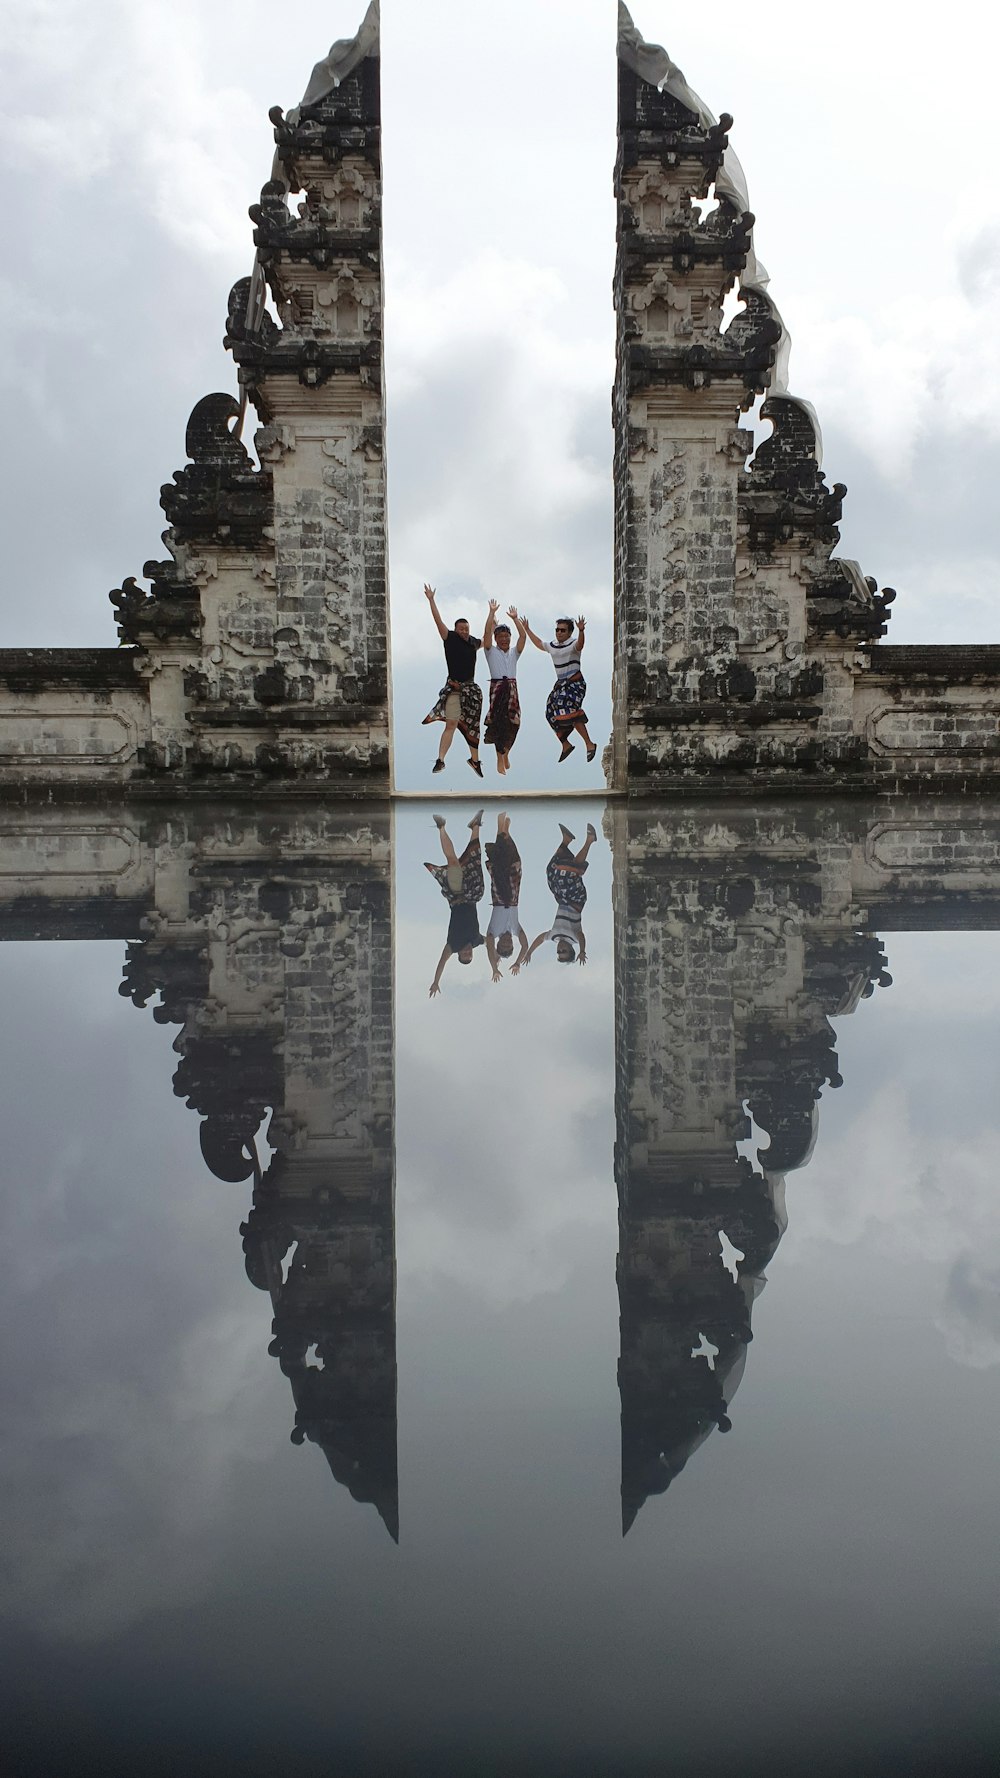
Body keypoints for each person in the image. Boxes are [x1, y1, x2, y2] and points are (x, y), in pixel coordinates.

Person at [421, 583, 484, 777]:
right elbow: (437, 621)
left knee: (473, 728)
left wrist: (491, 617)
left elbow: (488, 640)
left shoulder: (473, 642)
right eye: (461, 629)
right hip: (455, 690)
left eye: (467, 628)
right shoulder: (450, 639)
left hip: (471, 692)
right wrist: (431, 600)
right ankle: (440, 760)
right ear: (456, 630)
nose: (464, 631)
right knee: (451, 724)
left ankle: (474, 761)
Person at [519, 613, 597, 763]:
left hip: (575, 683)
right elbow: (539, 643)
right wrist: (527, 629)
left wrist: (581, 631)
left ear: (569, 632)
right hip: (561, 685)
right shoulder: (553, 646)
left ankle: (589, 743)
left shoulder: (573, 644)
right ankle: (565, 744)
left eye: (563, 630)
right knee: (550, 712)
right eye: (557, 630)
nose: (559, 633)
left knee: (567, 709)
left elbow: (580, 645)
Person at [520, 823, 598, 969]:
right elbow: (581, 936)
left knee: (551, 871)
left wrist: (529, 952)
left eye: (559, 952)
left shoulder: (554, 936)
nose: (560, 949)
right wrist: (582, 950)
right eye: (564, 951)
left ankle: (566, 840)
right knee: (566, 872)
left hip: (562, 898)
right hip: (575, 900)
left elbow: (540, 939)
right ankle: (589, 840)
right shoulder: (573, 938)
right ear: (570, 949)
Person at [425, 810, 486, 995]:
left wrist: (436, 982)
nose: (468, 953)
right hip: (474, 892)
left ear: (459, 954)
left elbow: (441, 962)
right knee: (475, 857)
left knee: (452, 862)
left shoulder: (452, 944)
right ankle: (475, 826)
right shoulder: (476, 940)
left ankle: (441, 828)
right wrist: (497, 959)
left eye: (464, 956)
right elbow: (491, 941)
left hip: (457, 894)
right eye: (470, 955)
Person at [482, 601, 527, 776]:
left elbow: (523, 638)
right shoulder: (490, 651)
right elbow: (486, 632)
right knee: (498, 722)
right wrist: (491, 613)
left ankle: (506, 753)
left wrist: (516, 619)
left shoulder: (514, 652)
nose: (504, 639)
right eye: (500, 636)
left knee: (514, 722)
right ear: (496, 639)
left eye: (506, 636)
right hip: (497, 688)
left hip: (512, 688)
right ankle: (499, 758)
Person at [484, 812, 529, 981]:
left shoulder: (492, 932)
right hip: (514, 884)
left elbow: (489, 950)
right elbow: (525, 945)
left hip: (500, 889)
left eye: (503, 944)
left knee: (500, 854)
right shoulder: (516, 929)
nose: (507, 942)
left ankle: (502, 824)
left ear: (498, 944)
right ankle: (504, 828)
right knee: (514, 855)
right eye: (510, 945)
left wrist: (494, 968)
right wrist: (517, 962)